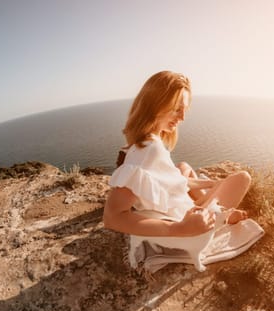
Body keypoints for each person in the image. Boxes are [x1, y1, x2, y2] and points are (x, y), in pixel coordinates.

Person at [103, 71, 251, 237]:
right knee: (242, 178)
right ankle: (220, 217)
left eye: (184, 110)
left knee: (182, 167)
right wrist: (178, 229)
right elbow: (112, 218)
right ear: (155, 105)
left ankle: (216, 210)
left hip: (181, 210)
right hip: (188, 224)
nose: (182, 117)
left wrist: (211, 184)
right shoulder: (149, 150)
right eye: (176, 109)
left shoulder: (146, 143)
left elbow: (172, 182)